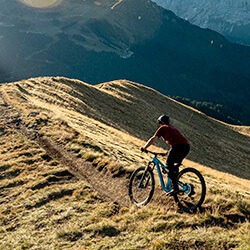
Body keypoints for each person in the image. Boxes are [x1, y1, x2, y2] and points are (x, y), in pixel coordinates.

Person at [141, 114, 190, 195]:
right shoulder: (172, 128)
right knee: (173, 167)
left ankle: (175, 188)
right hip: (186, 147)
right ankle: (176, 180)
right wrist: (167, 153)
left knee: (168, 166)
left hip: (177, 147)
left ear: (161, 122)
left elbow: (153, 138)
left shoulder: (163, 128)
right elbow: (176, 140)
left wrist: (144, 147)